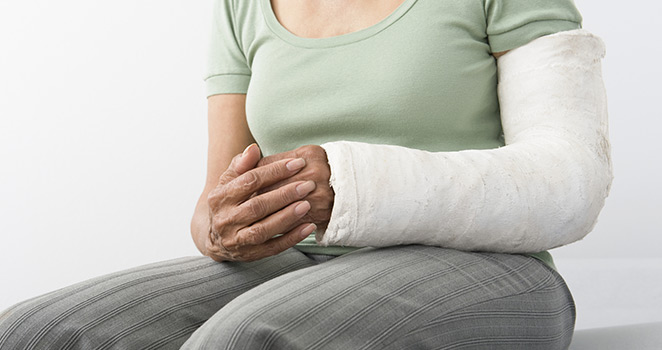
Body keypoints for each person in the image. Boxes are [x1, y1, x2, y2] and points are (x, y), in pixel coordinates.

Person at [0, 0, 612, 349]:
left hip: (491, 269)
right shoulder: (242, 5)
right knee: (30, 334)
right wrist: (219, 227)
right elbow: (214, 202)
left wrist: (353, 182)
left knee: (244, 344)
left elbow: (569, 182)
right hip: (299, 262)